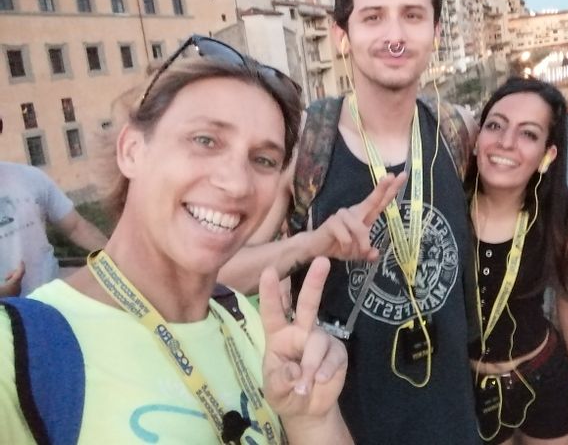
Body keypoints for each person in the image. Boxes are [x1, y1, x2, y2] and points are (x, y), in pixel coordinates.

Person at [220, 0, 568, 445]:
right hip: (342, 424)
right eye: (373, 17)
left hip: (454, 421)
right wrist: (312, 244)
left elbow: (521, 173)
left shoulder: (455, 131)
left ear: (434, 32)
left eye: (411, 16)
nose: (395, 35)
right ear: (343, 35)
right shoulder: (306, 146)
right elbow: (225, 272)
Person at [0, 38, 402, 444]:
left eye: (263, 159)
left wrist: (311, 420)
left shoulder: (251, 327)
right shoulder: (17, 352)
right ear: (131, 150)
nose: (235, 183)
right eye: (205, 140)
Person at [468, 77, 568, 444]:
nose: (505, 142)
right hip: (466, 390)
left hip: (543, 380)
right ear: (477, 137)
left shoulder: (558, 221)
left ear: (547, 154)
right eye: (495, 125)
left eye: (528, 134)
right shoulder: (447, 208)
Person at [0, 161, 108, 296]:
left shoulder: (30, 177)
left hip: (54, 300)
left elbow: (76, 227)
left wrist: (115, 256)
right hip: (6, 312)